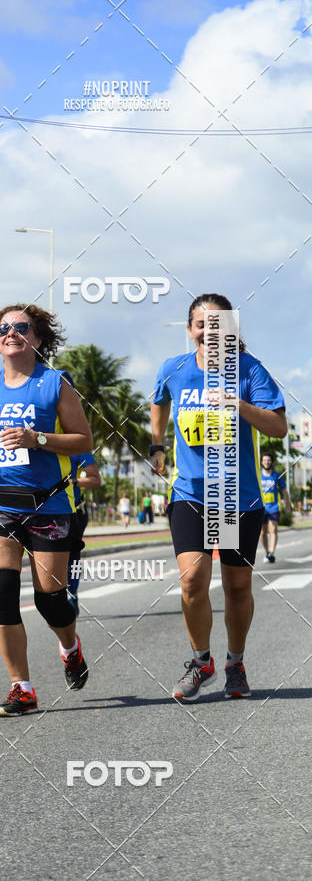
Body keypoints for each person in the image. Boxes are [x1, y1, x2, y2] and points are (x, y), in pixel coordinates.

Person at [0, 304, 93, 717]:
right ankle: (22, 688)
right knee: (1, 597)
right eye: (3, 328)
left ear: (36, 338)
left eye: (21, 327)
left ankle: (69, 647)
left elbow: (83, 441)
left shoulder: (54, 384)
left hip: (48, 503)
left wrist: (38, 439)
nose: (11, 332)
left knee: (50, 600)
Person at [151, 293, 287, 701]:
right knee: (193, 580)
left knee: (236, 587)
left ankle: (235, 662)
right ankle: (201, 661)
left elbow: (278, 426)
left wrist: (238, 404)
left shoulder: (248, 369)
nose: (209, 332)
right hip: (191, 492)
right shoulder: (173, 369)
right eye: (201, 324)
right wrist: (156, 446)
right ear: (190, 329)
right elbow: (159, 402)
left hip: (235, 496)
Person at [66, 453, 103, 615]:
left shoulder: (77, 448)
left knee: (72, 558)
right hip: (46, 514)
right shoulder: (39, 443)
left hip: (75, 513)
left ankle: (71, 594)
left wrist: (75, 482)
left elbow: (96, 480)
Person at [260, 453, 291, 563]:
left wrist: (288, 506)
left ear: (271, 462)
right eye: (264, 460)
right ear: (261, 462)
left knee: (273, 530)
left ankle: (271, 552)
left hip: (273, 507)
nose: (266, 462)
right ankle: (267, 551)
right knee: (263, 533)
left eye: (268, 460)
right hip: (261, 508)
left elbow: (285, 492)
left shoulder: (277, 476)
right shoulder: (258, 475)